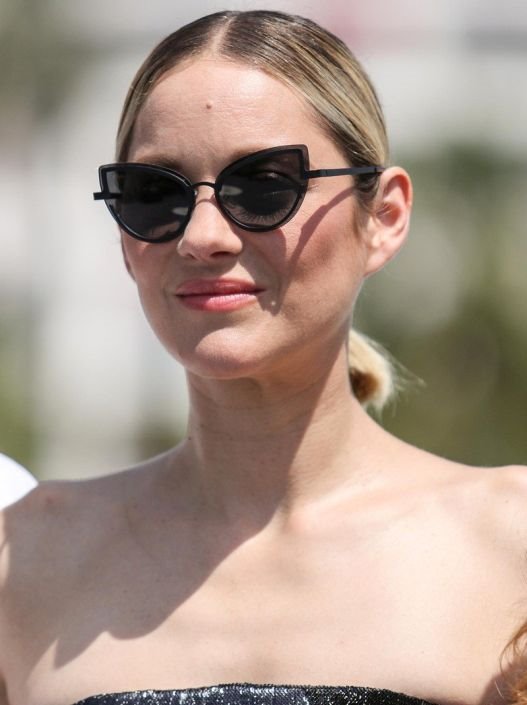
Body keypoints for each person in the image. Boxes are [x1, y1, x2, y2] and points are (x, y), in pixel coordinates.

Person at [0, 10, 525, 705]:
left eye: (265, 185)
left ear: (383, 217)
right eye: (155, 194)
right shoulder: (22, 558)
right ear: (124, 237)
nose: (203, 236)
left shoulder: (510, 544)